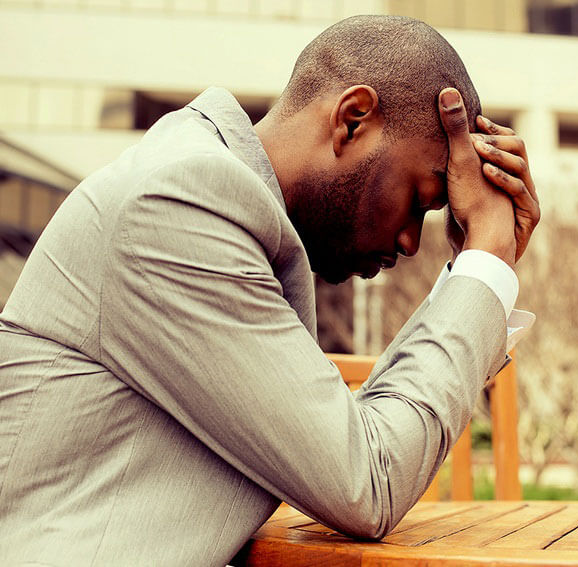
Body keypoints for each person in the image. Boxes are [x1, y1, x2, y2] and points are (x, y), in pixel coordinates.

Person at [0, 15, 539, 566]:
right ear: (353, 120)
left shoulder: (217, 201)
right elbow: (369, 481)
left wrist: (477, 269)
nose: (408, 243)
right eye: (418, 200)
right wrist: (487, 260)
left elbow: (348, 441)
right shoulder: (180, 203)